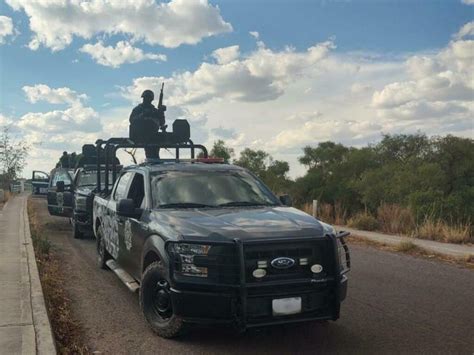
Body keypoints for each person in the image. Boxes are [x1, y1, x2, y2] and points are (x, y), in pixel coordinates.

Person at [129, 90, 165, 159]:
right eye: (146, 98)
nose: (147, 99)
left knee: (155, 154)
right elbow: (132, 120)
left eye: (149, 98)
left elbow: (161, 123)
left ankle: (155, 162)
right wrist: (143, 115)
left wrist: (161, 112)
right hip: (141, 135)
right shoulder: (138, 109)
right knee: (150, 154)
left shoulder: (154, 110)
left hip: (154, 136)